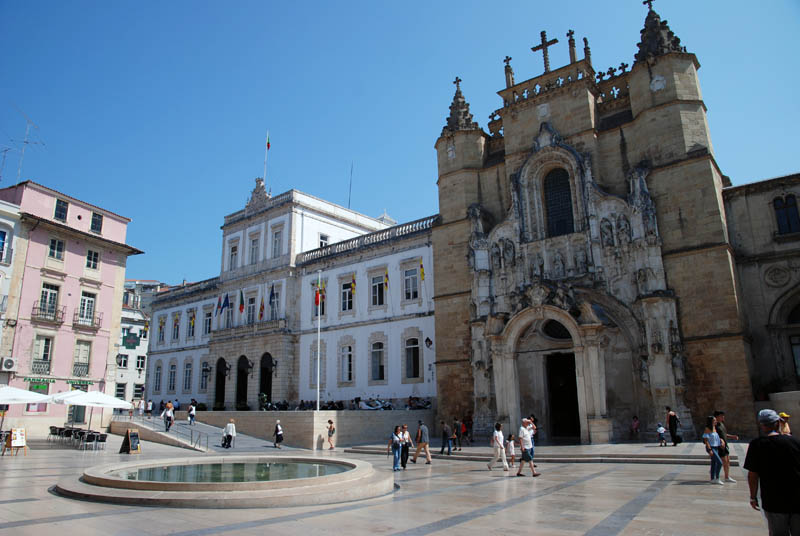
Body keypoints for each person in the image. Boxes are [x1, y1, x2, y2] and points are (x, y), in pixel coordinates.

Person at [744, 409, 800, 534]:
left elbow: (752, 475)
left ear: (762, 425)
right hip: (797, 498)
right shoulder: (795, 442)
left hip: (773, 501)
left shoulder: (757, 445)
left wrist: (753, 497)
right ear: (778, 423)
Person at [714, 410, 739, 483]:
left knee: (727, 461)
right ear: (717, 417)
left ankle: (727, 477)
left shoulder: (721, 424)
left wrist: (732, 436)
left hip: (725, 445)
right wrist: (720, 441)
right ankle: (716, 477)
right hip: (719, 446)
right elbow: (713, 436)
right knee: (722, 462)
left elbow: (724, 434)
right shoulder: (714, 426)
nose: (723, 417)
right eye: (721, 416)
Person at [702, 415, 725, 485]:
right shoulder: (707, 429)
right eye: (714, 420)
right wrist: (709, 449)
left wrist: (721, 441)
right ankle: (717, 478)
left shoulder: (714, 428)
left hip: (716, 447)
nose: (716, 421)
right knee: (720, 462)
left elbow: (716, 437)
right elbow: (706, 440)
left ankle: (712, 478)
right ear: (711, 421)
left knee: (714, 463)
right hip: (711, 447)